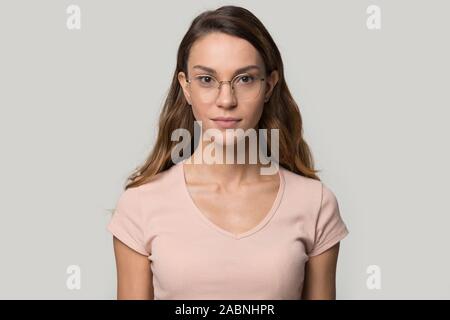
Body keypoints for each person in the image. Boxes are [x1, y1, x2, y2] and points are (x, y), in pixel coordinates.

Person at [107, 5, 349, 300]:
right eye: (207, 80)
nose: (226, 100)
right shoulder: (140, 205)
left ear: (269, 86)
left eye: (244, 79)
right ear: (186, 87)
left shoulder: (315, 204)